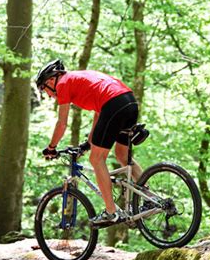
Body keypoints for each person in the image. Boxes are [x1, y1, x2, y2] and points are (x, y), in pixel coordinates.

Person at [36, 59, 143, 226]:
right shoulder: (81, 79)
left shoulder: (63, 84)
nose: (49, 95)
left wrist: (51, 147)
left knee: (96, 159)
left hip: (113, 105)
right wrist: (88, 143)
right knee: (122, 155)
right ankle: (150, 197)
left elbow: (62, 123)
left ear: (51, 80)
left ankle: (111, 212)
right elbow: (100, 114)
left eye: (44, 90)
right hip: (129, 102)